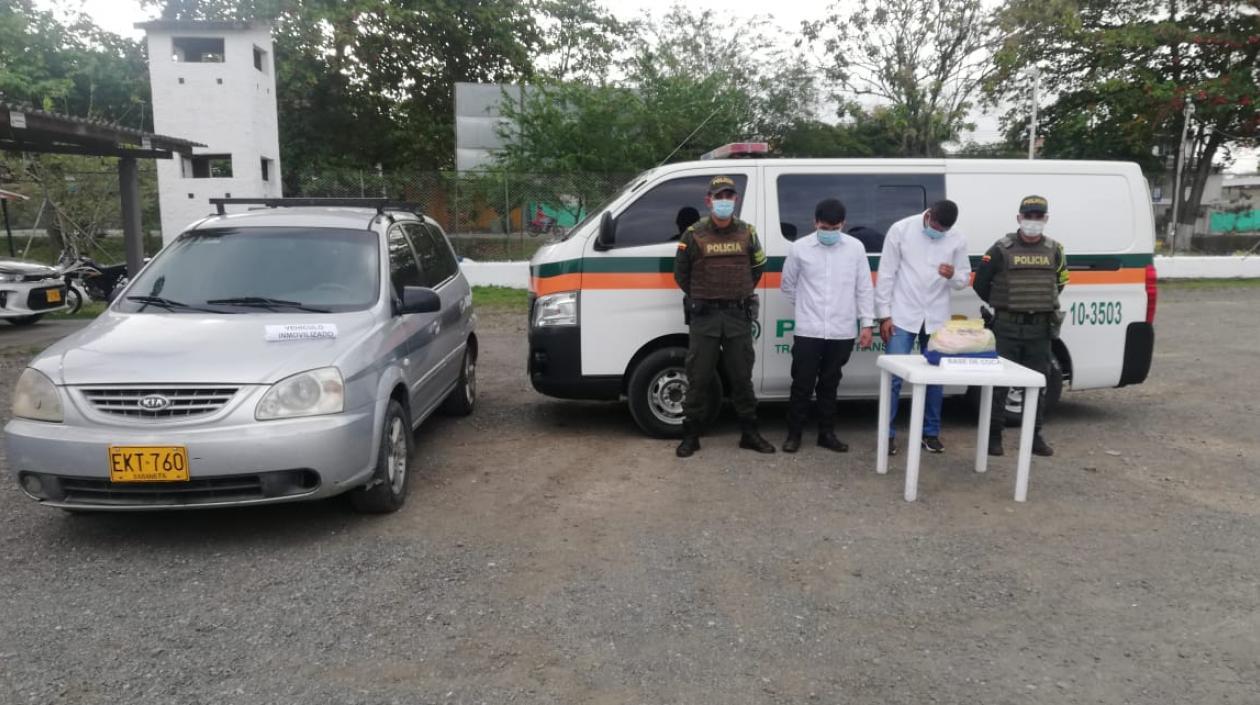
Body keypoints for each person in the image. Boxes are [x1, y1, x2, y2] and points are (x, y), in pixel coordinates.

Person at [672, 175, 775, 458]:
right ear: (709, 201)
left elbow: (757, 268)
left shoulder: (747, 233)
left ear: (735, 200)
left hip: (737, 315)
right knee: (699, 376)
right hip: (705, 317)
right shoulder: (693, 234)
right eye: (719, 197)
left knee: (742, 377)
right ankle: (691, 435)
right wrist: (704, 295)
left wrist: (737, 293)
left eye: (729, 196)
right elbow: (681, 274)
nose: (724, 201)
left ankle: (749, 433)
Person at [973, 195, 1067, 457]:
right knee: (999, 385)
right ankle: (994, 437)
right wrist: (1003, 304)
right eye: (1028, 216)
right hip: (1007, 327)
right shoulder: (1000, 249)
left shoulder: (1055, 250)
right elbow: (980, 283)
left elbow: (1060, 281)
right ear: (1019, 218)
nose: (1033, 221)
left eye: (1038, 216)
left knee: (1037, 384)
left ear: (1045, 219)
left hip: (1040, 329)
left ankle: (1034, 436)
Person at [875, 200, 971, 455]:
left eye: (943, 230)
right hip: (902, 314)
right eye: (936, 226)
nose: (938, 232)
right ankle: (887, 435)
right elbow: (886, 273)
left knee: (936, 378)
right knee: (893, 376)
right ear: (929, 215)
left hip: (936, 317)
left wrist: (953, 276)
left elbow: (963, 280)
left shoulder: (957, 239)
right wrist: (884, 315)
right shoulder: (901, 229)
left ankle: (930, 433)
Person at [780, 198, 875, 453]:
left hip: (841, 330)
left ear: (843, 224)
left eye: (835, 228)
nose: (830, 233)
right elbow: (788, 285)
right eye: (825, 228)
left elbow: (864, 288)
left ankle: (827, 434)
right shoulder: (800, 248)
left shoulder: (855, 248)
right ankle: (794, 434)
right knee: (802, 383)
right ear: (815, 222)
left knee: (830, 384)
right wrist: (806, 306)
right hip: (808, 330)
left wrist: (867, 324)